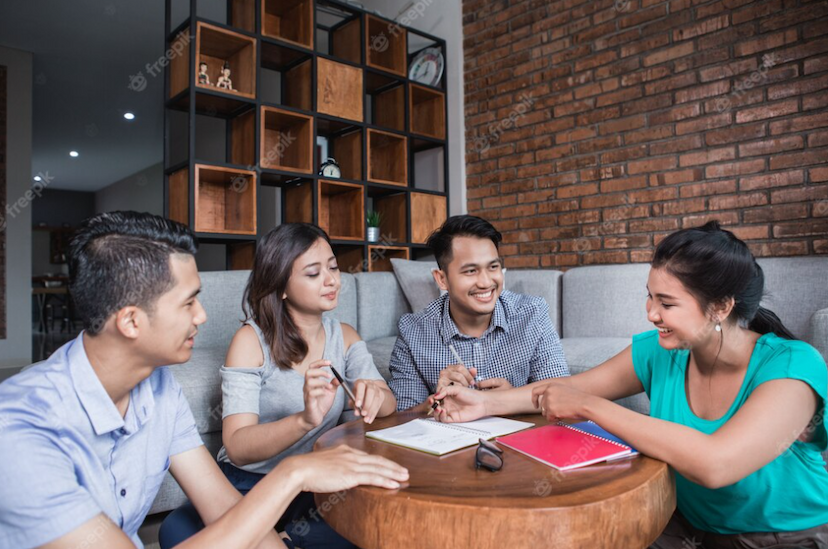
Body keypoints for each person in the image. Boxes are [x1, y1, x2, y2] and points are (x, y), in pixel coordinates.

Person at [0, 212, 408, 549]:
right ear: (130, 321)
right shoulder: (18, 428)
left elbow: (222, 505)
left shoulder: (159, 389)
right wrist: (293, 474)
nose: (202, 316)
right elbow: (243, 462)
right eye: (189, 302)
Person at [432, 221, 828, 547]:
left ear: (721, 307)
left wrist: (590, 407)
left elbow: (716, 464)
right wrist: (483, 404)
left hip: (785, 536)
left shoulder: (793, 366)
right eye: (650, 297)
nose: (651, 313)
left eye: (667, 303)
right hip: (685, 527)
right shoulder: (662, 351)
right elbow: (572, 386)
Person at [161, 223, 396, 549]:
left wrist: (376, 397)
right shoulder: (251, 341)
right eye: (313, 274)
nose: (332, 280)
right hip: (248, 484)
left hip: (316, 484)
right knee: (174, 532)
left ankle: (282, 539)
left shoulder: (345, 336)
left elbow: (388, 404)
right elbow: (239, 448)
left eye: (333, 267)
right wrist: (304, 420)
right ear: (281, 286)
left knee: (376, 519)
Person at [388, 215, 569, 411]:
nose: (485, 282)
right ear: (442, 280)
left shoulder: (532, 313)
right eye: (470, 271)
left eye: (493, 267)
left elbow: (562, 396)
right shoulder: (413, 331)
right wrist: (436, 402)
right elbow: (402, 416)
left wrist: (509, 399)